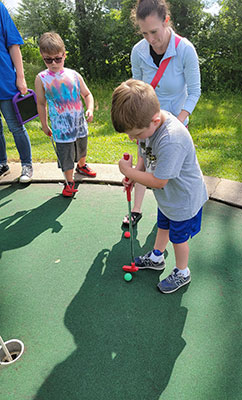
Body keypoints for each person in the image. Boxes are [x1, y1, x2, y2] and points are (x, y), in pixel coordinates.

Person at [111, 79, 208, 294]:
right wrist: (135, 173)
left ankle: (182, 272)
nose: (132, 138)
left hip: (183, 199)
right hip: (168, 198)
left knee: (178, 238)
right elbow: (144, 155)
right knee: (163, 225)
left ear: (155, 121)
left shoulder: (172, 139)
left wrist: (128, 172)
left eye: (135, 134)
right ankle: (156, 257)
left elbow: (159, 181)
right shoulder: (149, 125)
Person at [122, 0, 201, 226]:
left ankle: (168, 217)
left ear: (166, 21)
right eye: (144, 33)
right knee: (142, 162)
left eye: (154, 32)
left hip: (174, 124)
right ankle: (136, 210)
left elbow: (194, 92)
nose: (151, 39)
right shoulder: (138, 51)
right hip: (146, 122)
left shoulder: (185, 49)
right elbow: (137, 89)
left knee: (167, 175)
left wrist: (177, 122)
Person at [35, 32, 96, 197]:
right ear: (42, 56)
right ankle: (69, 182)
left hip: (79, 124)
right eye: (48, 59)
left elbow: (87, 94)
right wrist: (44, 124)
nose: (54, 63)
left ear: (64, 55)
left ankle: (82, 166)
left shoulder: (74, 75)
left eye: (57, 58)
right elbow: (41, 103)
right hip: (61, 128)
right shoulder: (41, 78)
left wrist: (89, 109)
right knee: (66, 156)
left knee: (82, 148)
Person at [0, 2, 33, 183]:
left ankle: (26, 165)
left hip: (4, 81)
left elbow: (13, 44)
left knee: (15, 126)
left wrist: (20, 77)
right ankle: (1, 164)